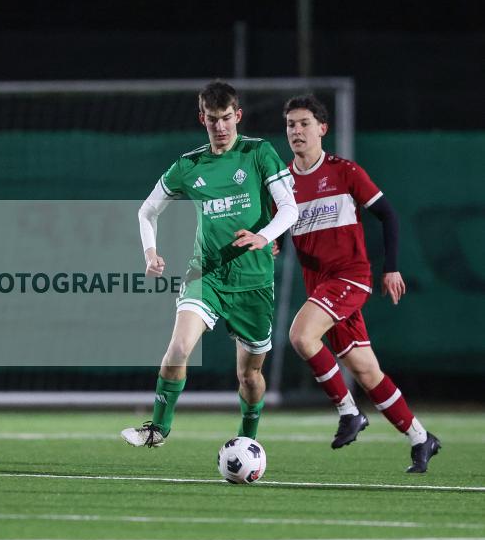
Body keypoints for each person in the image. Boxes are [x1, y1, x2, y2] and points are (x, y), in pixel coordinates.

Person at [122, 81, 298, 448]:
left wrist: (263, 236)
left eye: (226, 118)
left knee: (249, 376)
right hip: (206, 274)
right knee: (179, 348)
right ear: (202, 118)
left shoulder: (259, 153)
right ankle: (158, 429)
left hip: (253, 282)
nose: (220, 127)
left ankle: (248, 440)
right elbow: (146, 211)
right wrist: (150, 252)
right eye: (213, 120)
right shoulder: (189, 165)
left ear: (238, 116)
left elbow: (290, 209)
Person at [281, 95, 440, 473]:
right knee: (367, 371)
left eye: (304, 123)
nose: (296, 131)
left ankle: (349, 412)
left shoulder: (344, 171)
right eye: (290, 125)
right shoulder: (283, 183)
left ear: (323, 128)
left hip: (350, 276)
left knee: (302, 337)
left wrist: (392, 267)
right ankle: (421, 437)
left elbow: (387, 215)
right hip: (319, 287)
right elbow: (276, 229)